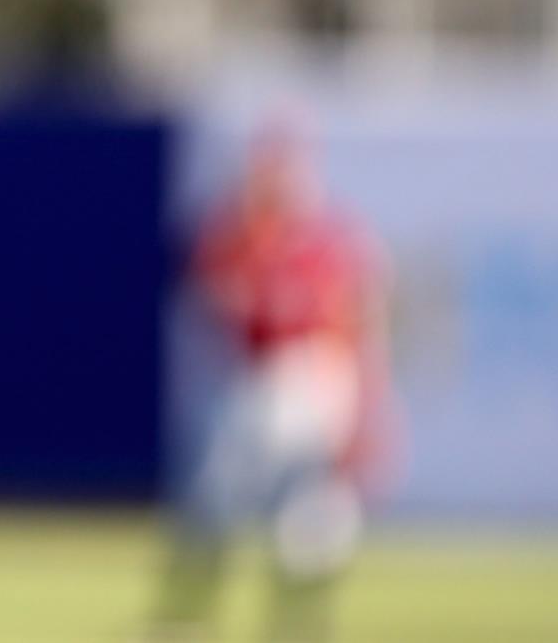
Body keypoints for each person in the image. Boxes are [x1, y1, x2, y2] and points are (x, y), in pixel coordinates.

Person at [148, 117, 391, 643]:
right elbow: (212, 291)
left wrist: (366, 411)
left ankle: (297, 626)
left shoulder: (330, 239)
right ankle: (184, 617)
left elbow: (357, 324)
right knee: (212, 501)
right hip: (257, 383)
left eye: (284, 169)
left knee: (311, 516)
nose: (275, 180)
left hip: (318, 377)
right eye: (267, 169)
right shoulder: (238, 234)